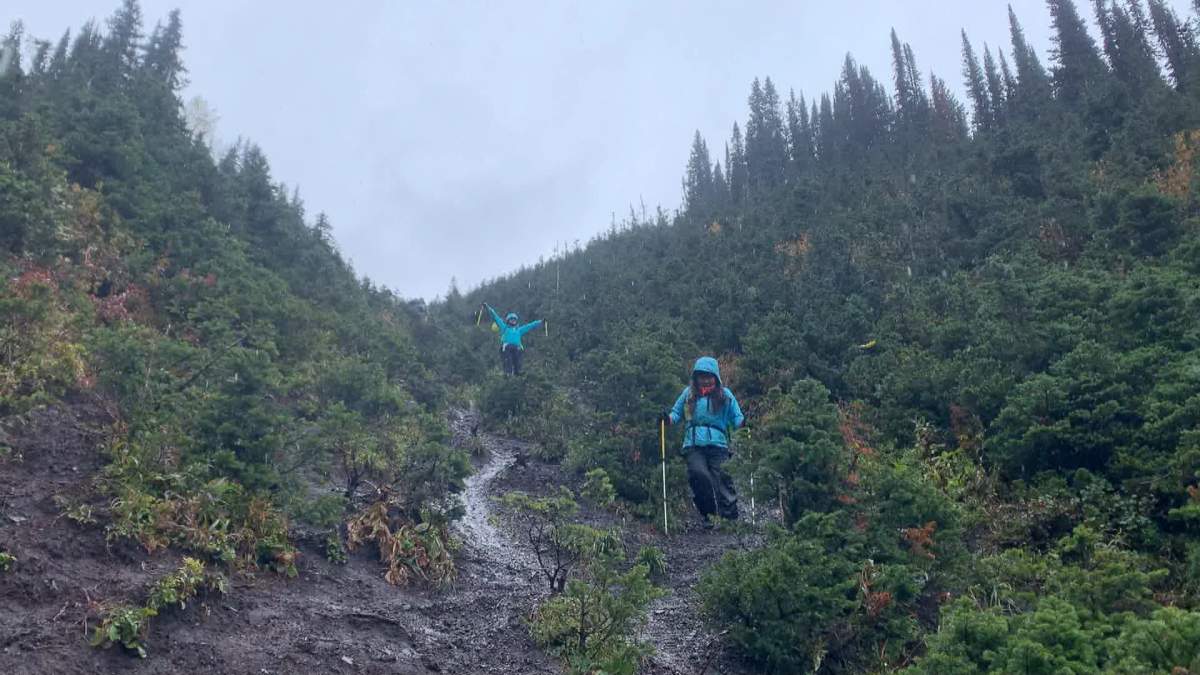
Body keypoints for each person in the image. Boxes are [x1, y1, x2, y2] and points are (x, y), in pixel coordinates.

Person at [662, 356, 745, 529]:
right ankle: (709, 514)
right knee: (698, 475)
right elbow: (676, 413)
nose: (705, 380)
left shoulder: (725, 395)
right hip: (693, 445)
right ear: (696, 377)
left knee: (722, 478)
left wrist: (742, 423)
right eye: (701, 376)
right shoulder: (689, 394)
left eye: (709, 376)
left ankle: (729, 517)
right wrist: (667, 419)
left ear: (716, 377)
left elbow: (736, 416)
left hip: (719, 444)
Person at [482, 302, 543, 376]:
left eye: (514, 319)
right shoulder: (504, 328)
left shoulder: (519, 330)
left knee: (518, 358)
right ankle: (508, 373)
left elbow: (530, 326)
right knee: (508, 360)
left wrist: (541, 321)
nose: (513, 321)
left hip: (517, 348)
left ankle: (517, 372)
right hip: (507, 347)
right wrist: (488, 307)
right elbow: (495, 317)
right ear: (508, 321)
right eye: (511, 319)